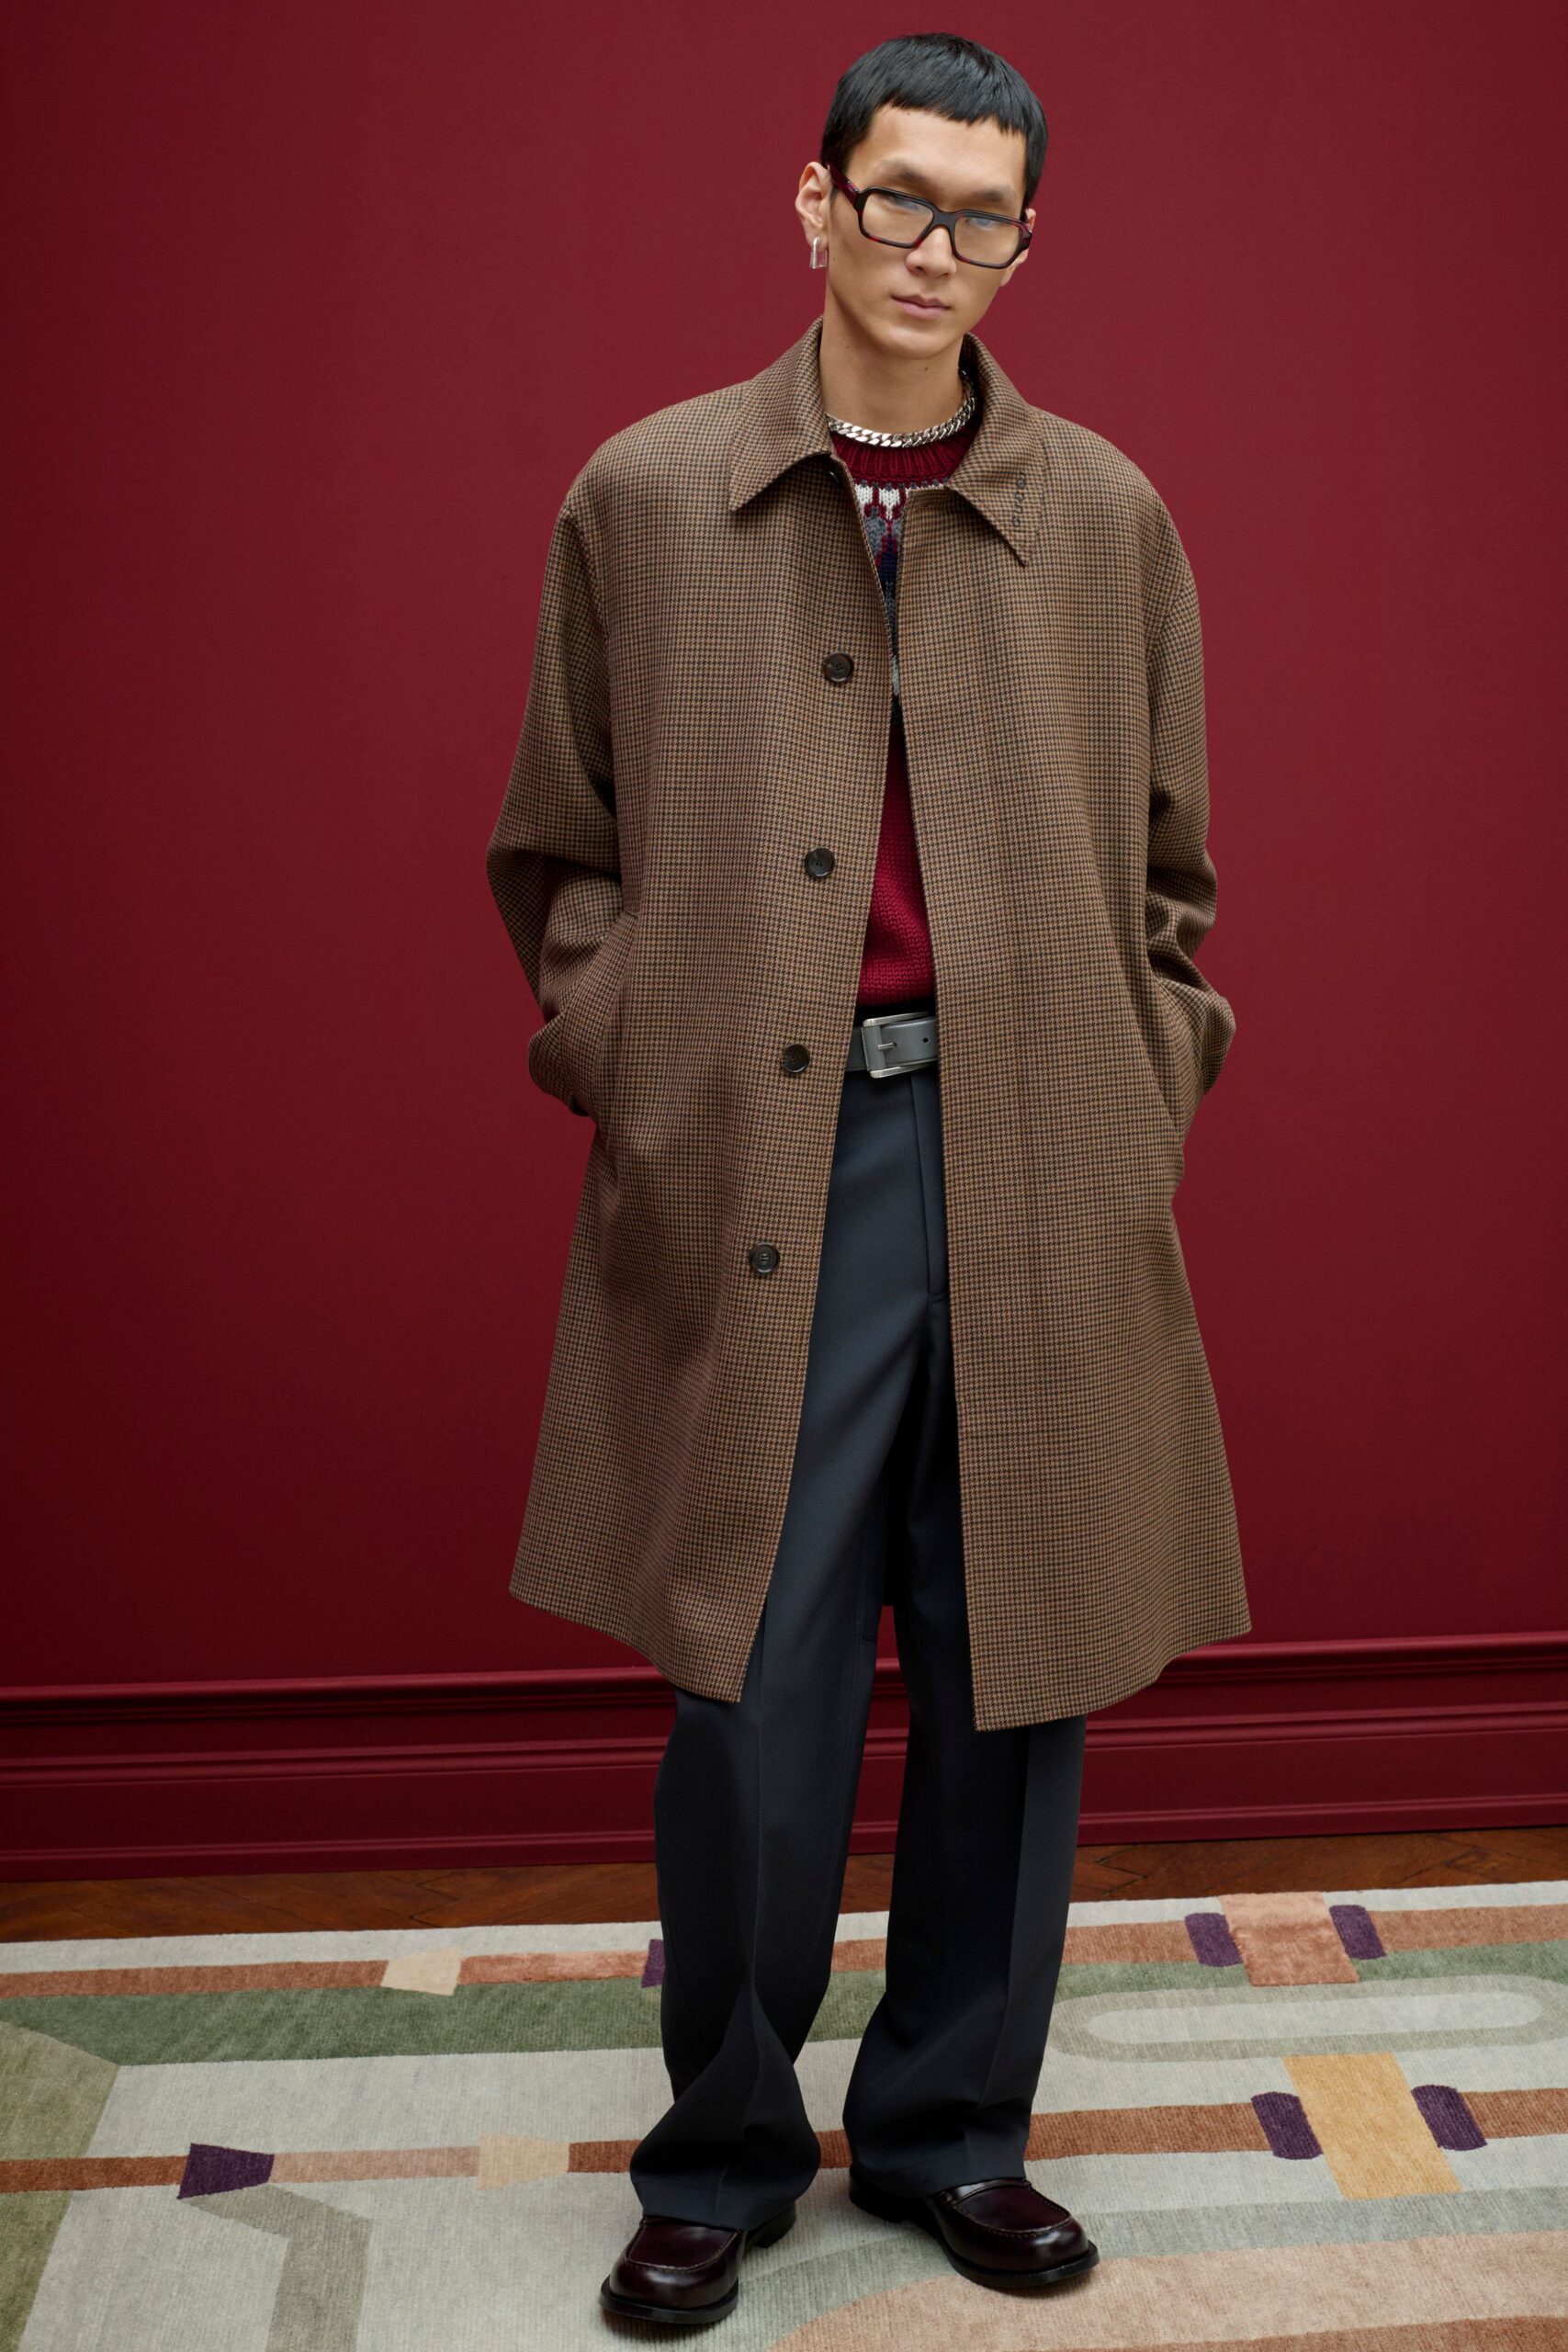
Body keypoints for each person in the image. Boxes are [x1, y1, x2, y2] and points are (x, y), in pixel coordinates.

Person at [485, 31, 1249, 2329]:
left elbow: (1169, 873)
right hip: (760, 1157)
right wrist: (638, 1055)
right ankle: (721, 2150)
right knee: (751, 1681)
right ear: (812, 203)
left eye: (981, 214)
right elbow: (561, 845)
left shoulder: (1103, 515)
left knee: (1017, 1672)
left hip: (1033, 1158)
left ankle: (952, 2131)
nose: (935, 248)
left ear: (1025, 240)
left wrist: (1138, 1064)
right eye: (897, 197)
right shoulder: (646, 495)